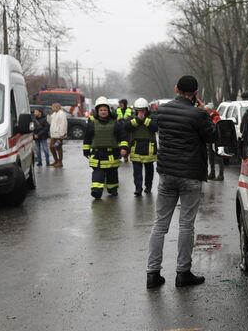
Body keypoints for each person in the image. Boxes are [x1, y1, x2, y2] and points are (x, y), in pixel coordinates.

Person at [146, 75, 220, 289]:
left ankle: (152, 273)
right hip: (190, 175)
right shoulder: (198, 114)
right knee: (186, 225)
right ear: (195, 93)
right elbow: (212, 136)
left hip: (167, 174)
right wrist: (207, 112)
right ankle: (182, 273)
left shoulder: (163, 110)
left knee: (160, 224)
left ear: (176, 88)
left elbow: (153, 127)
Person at [83, 97, 129, 199]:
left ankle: (112, 189)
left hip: (111, 154)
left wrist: (124, 148)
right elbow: (87, 139)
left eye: (105, 110)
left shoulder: (115, 123)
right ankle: (96, 190)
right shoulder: (91, 124)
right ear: (97, 111)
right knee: (97, 173)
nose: (103, 112)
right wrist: (86, 150)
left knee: (112, 174)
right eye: (101, 110)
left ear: (108, 110)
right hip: (97, 154)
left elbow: (123, 137)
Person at [128, 98, 158, 196]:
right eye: (138, 110)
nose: (141, 112)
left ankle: (148, 186)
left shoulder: (153, 117)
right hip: (136, 148)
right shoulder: (131, 118)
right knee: (137, 172)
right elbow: (126, 127)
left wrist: (144, 120)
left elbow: (155, 127)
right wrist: (137, 119)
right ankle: (138, 188)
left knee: (149, 171)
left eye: (143, 110)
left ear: (147, 109)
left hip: (149, 148)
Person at [49, 102, 68, 168]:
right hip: (53, 134)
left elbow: (63, 124)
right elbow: (51, 123)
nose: (51, 108)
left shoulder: (62, 114)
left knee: (58, 148)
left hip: (59, 135)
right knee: (51, 147)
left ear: (57, 107)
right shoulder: (54, 114)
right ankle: (56, 160)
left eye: (53, 106)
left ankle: (60, 162)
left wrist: (62, 134)